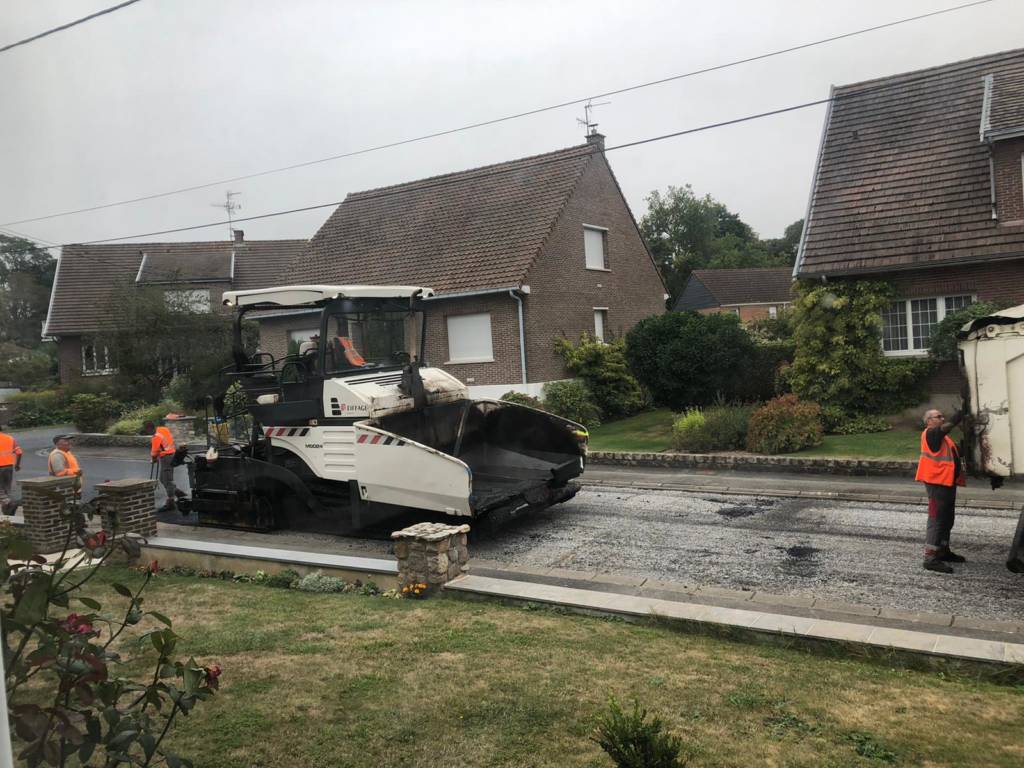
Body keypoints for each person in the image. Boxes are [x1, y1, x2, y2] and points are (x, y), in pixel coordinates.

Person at [915, 408, 966, 574]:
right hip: (936, 484)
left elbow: (954, 454)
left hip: (946, 483)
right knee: (937, 520)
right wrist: (960, 414)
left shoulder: (943, 439)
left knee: (947, 519)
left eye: (943, 416)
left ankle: (943, 551)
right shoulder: (931, 434)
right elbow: (948, 426)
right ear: (929, 421)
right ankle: (930, 558)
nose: (942, 419)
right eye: (939, 417)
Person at [143, 420, 177, 511]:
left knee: (167, 479)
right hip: (171, 455)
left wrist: (154, 459)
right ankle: (174, 491)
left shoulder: (156, 437)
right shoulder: (163, 429)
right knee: (162, 478)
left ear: (150, 428)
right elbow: (166, 441)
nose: (148, 433)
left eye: (147, 430)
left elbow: (154, 452)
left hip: (166, 458)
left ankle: (171, 502)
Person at [0, 424, 23, 515]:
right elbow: (19, 452)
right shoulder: (10, 438)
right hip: (9, 467)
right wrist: (17, 465)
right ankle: (7, 511)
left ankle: (8, 503)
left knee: (1, 491)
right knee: (6, 489)